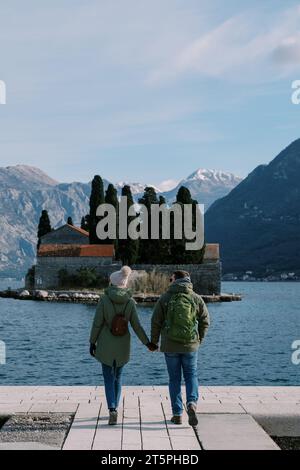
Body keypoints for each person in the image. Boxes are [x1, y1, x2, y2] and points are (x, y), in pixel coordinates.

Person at [89, 266, 157, 425]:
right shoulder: (130, 302)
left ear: (112, 283)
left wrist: (92, 342)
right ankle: (116, 408)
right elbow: (137, 326)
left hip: (105, 343)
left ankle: (111, 408)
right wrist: (147, 343)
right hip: (122, 344)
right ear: (125, 284)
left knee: (107, 378)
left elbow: (97, 324)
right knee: (118, 377)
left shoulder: (104, 300)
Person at [151, 270, 210, 426]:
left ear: (174, 280)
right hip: (190, 345)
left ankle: (177, 414)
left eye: (171, 279)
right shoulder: (196, 298)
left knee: (174, 379)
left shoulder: (165, 298)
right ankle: (192, 403)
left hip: (170, 345)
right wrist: (199, 339)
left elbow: (155, 321)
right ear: (188, 281)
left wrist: (154, 342)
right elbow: (205, 321)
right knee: (191, 375)